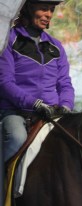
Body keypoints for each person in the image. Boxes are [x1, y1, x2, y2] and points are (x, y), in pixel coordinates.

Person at [0, 0, 75, 162]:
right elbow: (5, 83)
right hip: (16, 112)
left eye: (51, 10)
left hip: (51, 112)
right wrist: (34, 103)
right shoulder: (7, 41)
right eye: (43, 9)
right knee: (16, 139)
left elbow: (65, 83)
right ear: (28, 9)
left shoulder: (56, 46)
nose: (48, 15)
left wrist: (66, 105)